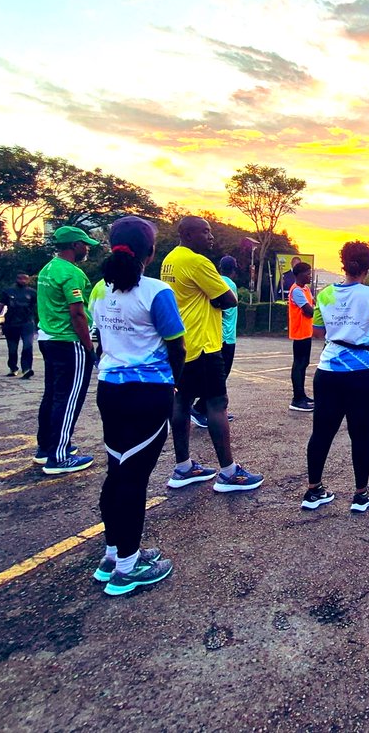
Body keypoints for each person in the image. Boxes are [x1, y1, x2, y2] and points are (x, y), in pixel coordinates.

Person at [90, 216, 183, 596]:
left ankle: (112, 554)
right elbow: (176, 344)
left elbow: (101, 340)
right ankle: (128, 567)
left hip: (109, 390)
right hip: (147, 393)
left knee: (117, 469)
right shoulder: (156, 291)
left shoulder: (99, 290)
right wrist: (174, 384)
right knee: (134, 477)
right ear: (151, 252)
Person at [161, 216, 263, 493]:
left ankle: (183, 467)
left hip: (181, 343)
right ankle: (229, 473)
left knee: (181, 401)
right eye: (204, 232)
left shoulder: (170, 260)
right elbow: (229, 299)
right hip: (204, 344)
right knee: (217, 403)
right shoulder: (198, 262)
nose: (210, 237)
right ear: (188, 234)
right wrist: (213, 298)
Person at [301, 241, 369, 512]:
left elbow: (317, 332)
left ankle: (313, 491)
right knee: (362, 434)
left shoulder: (325, 294)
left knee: (321, 433)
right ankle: (361, 496)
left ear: (343, 263)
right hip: (363, 373)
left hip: (328, 371)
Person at [34, 226, 100, 474]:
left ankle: (47, 447)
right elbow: (77, 312)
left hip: (48, 337)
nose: (87, 248)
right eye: (84, 244)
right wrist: (88, 346)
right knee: (70, 396)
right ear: (74, 245)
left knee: (52, 394)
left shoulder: (47, 269)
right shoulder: (71, 273)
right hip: (68, 340)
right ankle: (59, 457)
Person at [189, 255, 239, 427]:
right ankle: (201, 408)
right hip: (226, 336)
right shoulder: (229, 284)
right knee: (220, 376)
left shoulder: (215, 280)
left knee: (218, 375)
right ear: (235, 268)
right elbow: (226, 304)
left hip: (220, 334)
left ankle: (207, 409)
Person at [0, 273, 37, 379]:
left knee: (28, 345)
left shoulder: (32, 292)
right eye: (21, 278)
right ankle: (13, 368)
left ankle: (27, 369)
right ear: (16, 279)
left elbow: (39, 307)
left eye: (25, 279)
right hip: (11, 323)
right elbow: (0, 306)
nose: (23, 281)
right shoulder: (7, 291)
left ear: (28, 280)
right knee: (12, 348)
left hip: (27, 323)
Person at [288, 262, 316, 412]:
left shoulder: (305, 289)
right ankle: (296, 399)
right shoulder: (296, 291)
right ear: (299, 275)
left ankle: (302, 395)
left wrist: (313, 309)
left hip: (307, 332)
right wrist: (313, 309)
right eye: (308, 273)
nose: (310, 276)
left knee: (304, 364)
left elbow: (311, 307)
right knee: (298, 365)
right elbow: (309, 311)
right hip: (299, 333)